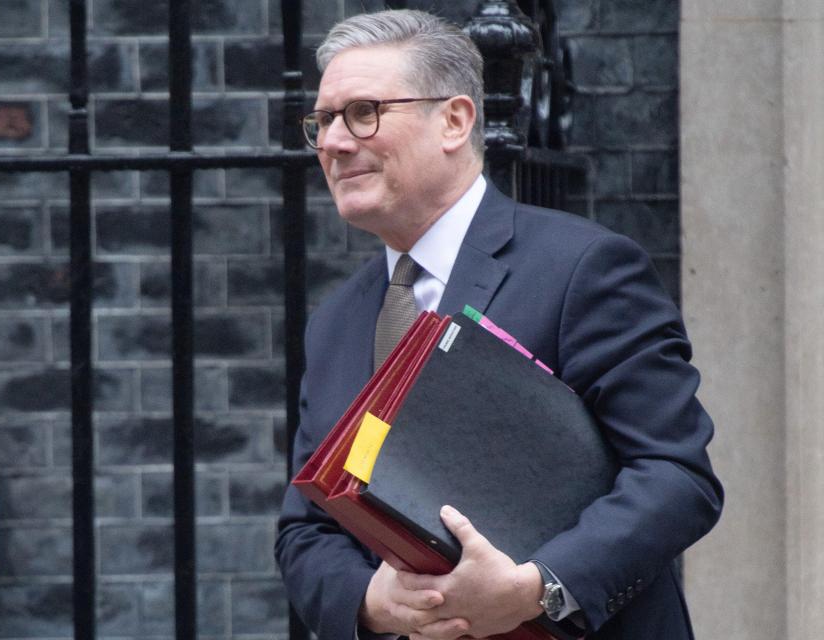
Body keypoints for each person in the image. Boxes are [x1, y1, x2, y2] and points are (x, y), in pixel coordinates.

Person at [275, 9, 723, 640]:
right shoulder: (336, 323)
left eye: (363, 112)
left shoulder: (582, 269)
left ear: (455, 120)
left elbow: (675, 477)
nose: (334, 142)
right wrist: (371, 602)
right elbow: (306, 528)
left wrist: (535, 587)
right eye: (321, 122)